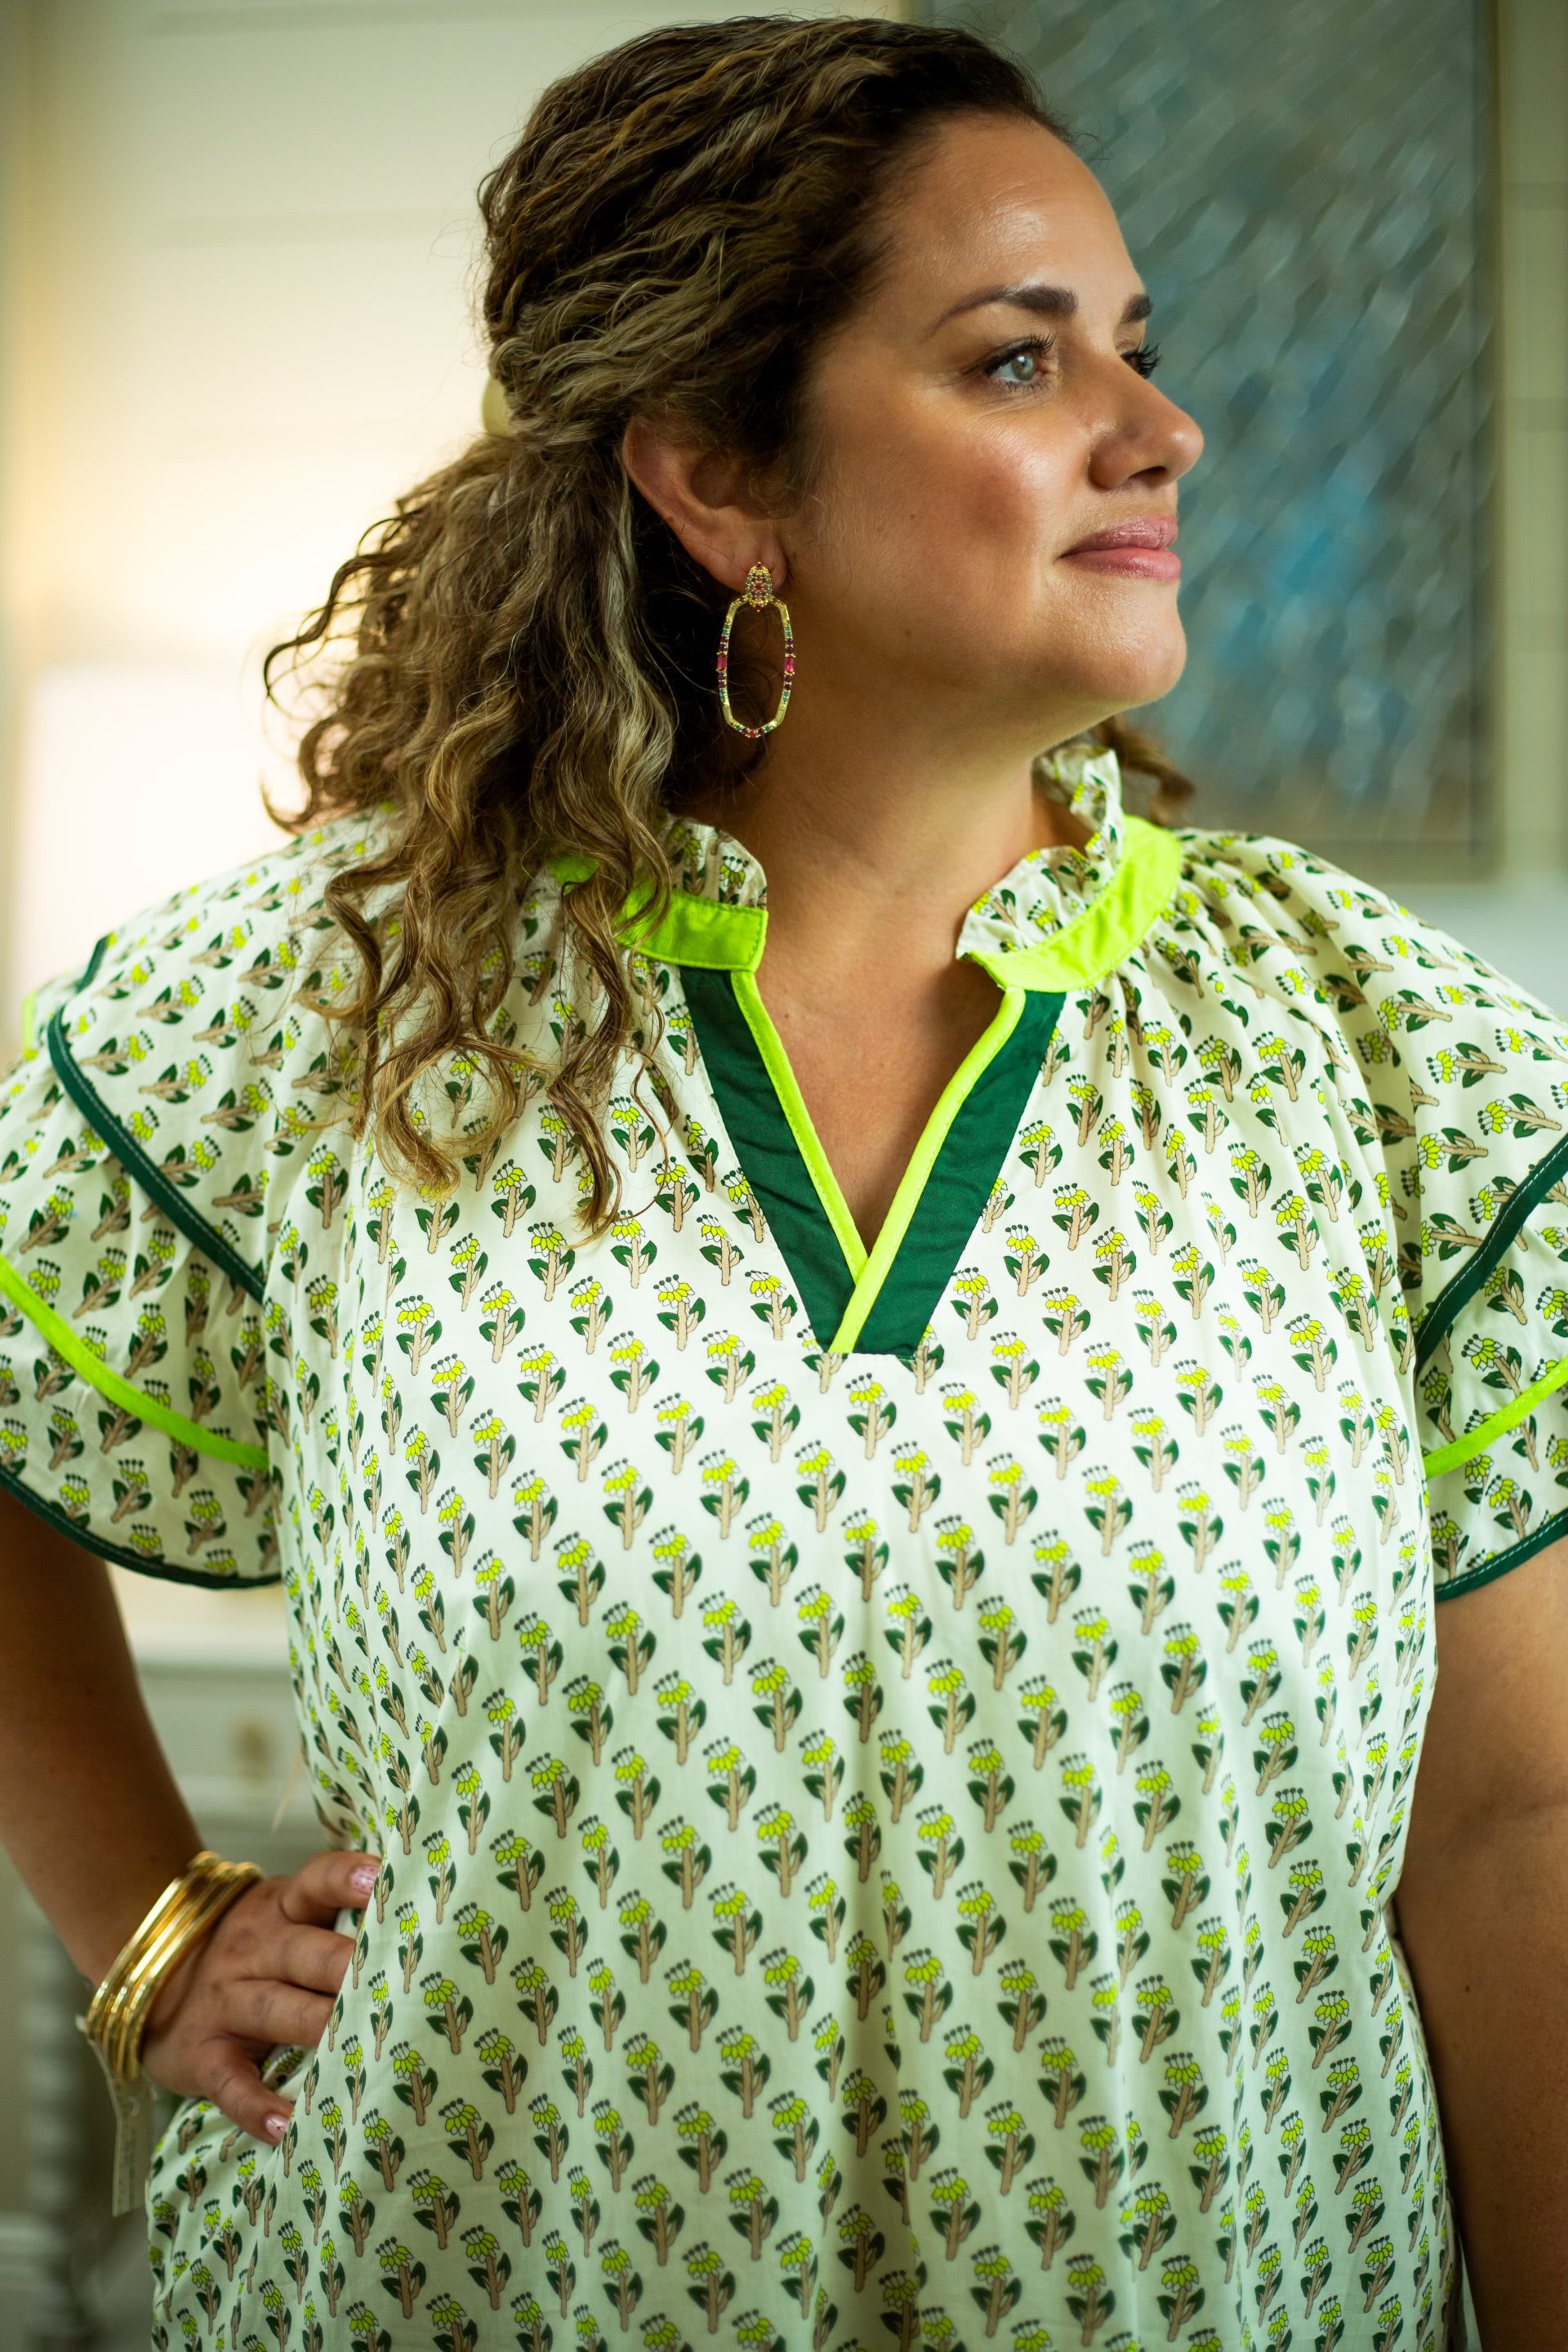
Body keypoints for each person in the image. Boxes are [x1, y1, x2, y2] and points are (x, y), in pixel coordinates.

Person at [0, 14, 1561, 2346]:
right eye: (1020, 360)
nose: (1162, 431)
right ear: (723, 477)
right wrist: (145, 1930)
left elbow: (1519, 1834)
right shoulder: (329, 1011)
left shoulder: (1385, 1061)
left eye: (1134, 348)